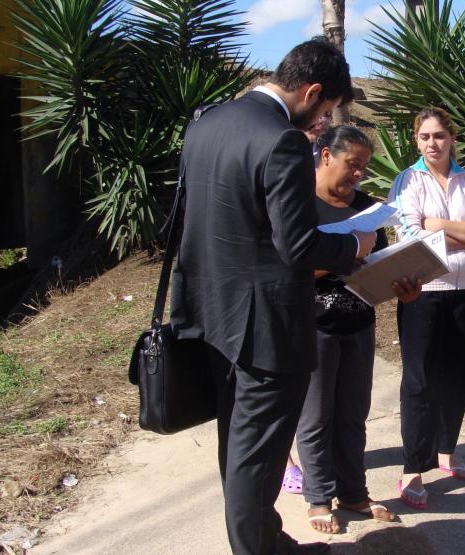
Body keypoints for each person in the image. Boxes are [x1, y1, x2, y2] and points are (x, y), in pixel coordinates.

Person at [169, 38, 377, 555]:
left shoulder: (206, 123)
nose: (323, 124)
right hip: (263, 328)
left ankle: (269, 542)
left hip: (209, 312)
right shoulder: (282, 140)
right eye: (326, 110)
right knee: (256, 458)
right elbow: (299, 244)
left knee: (237, 446)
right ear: (310, 91)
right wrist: (357, 242)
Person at [281, 125, 421, 534]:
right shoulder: (298, 204)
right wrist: (345, 255)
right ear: (325, 155)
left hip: (358, 324)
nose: (358, 175)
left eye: (363, 168)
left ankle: (355, 493)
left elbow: (376, 264)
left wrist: (404, 288)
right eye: (352, 165)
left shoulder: (367, 209)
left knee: (353, 415)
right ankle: (319, 498)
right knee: (316, 415)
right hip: (313, 325)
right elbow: (291, 265)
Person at [388, 107, 465, 510]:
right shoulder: (408, 180)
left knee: (455, 376)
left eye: (439, 136)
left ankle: (446, 452)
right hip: (422, 291)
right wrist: (462, 236)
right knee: (418, 381)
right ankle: (412, 468)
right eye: (424, 137)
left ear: (453, 138)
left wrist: (440, 225)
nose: (432, 143)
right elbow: (411, 235)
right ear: (416, 140)